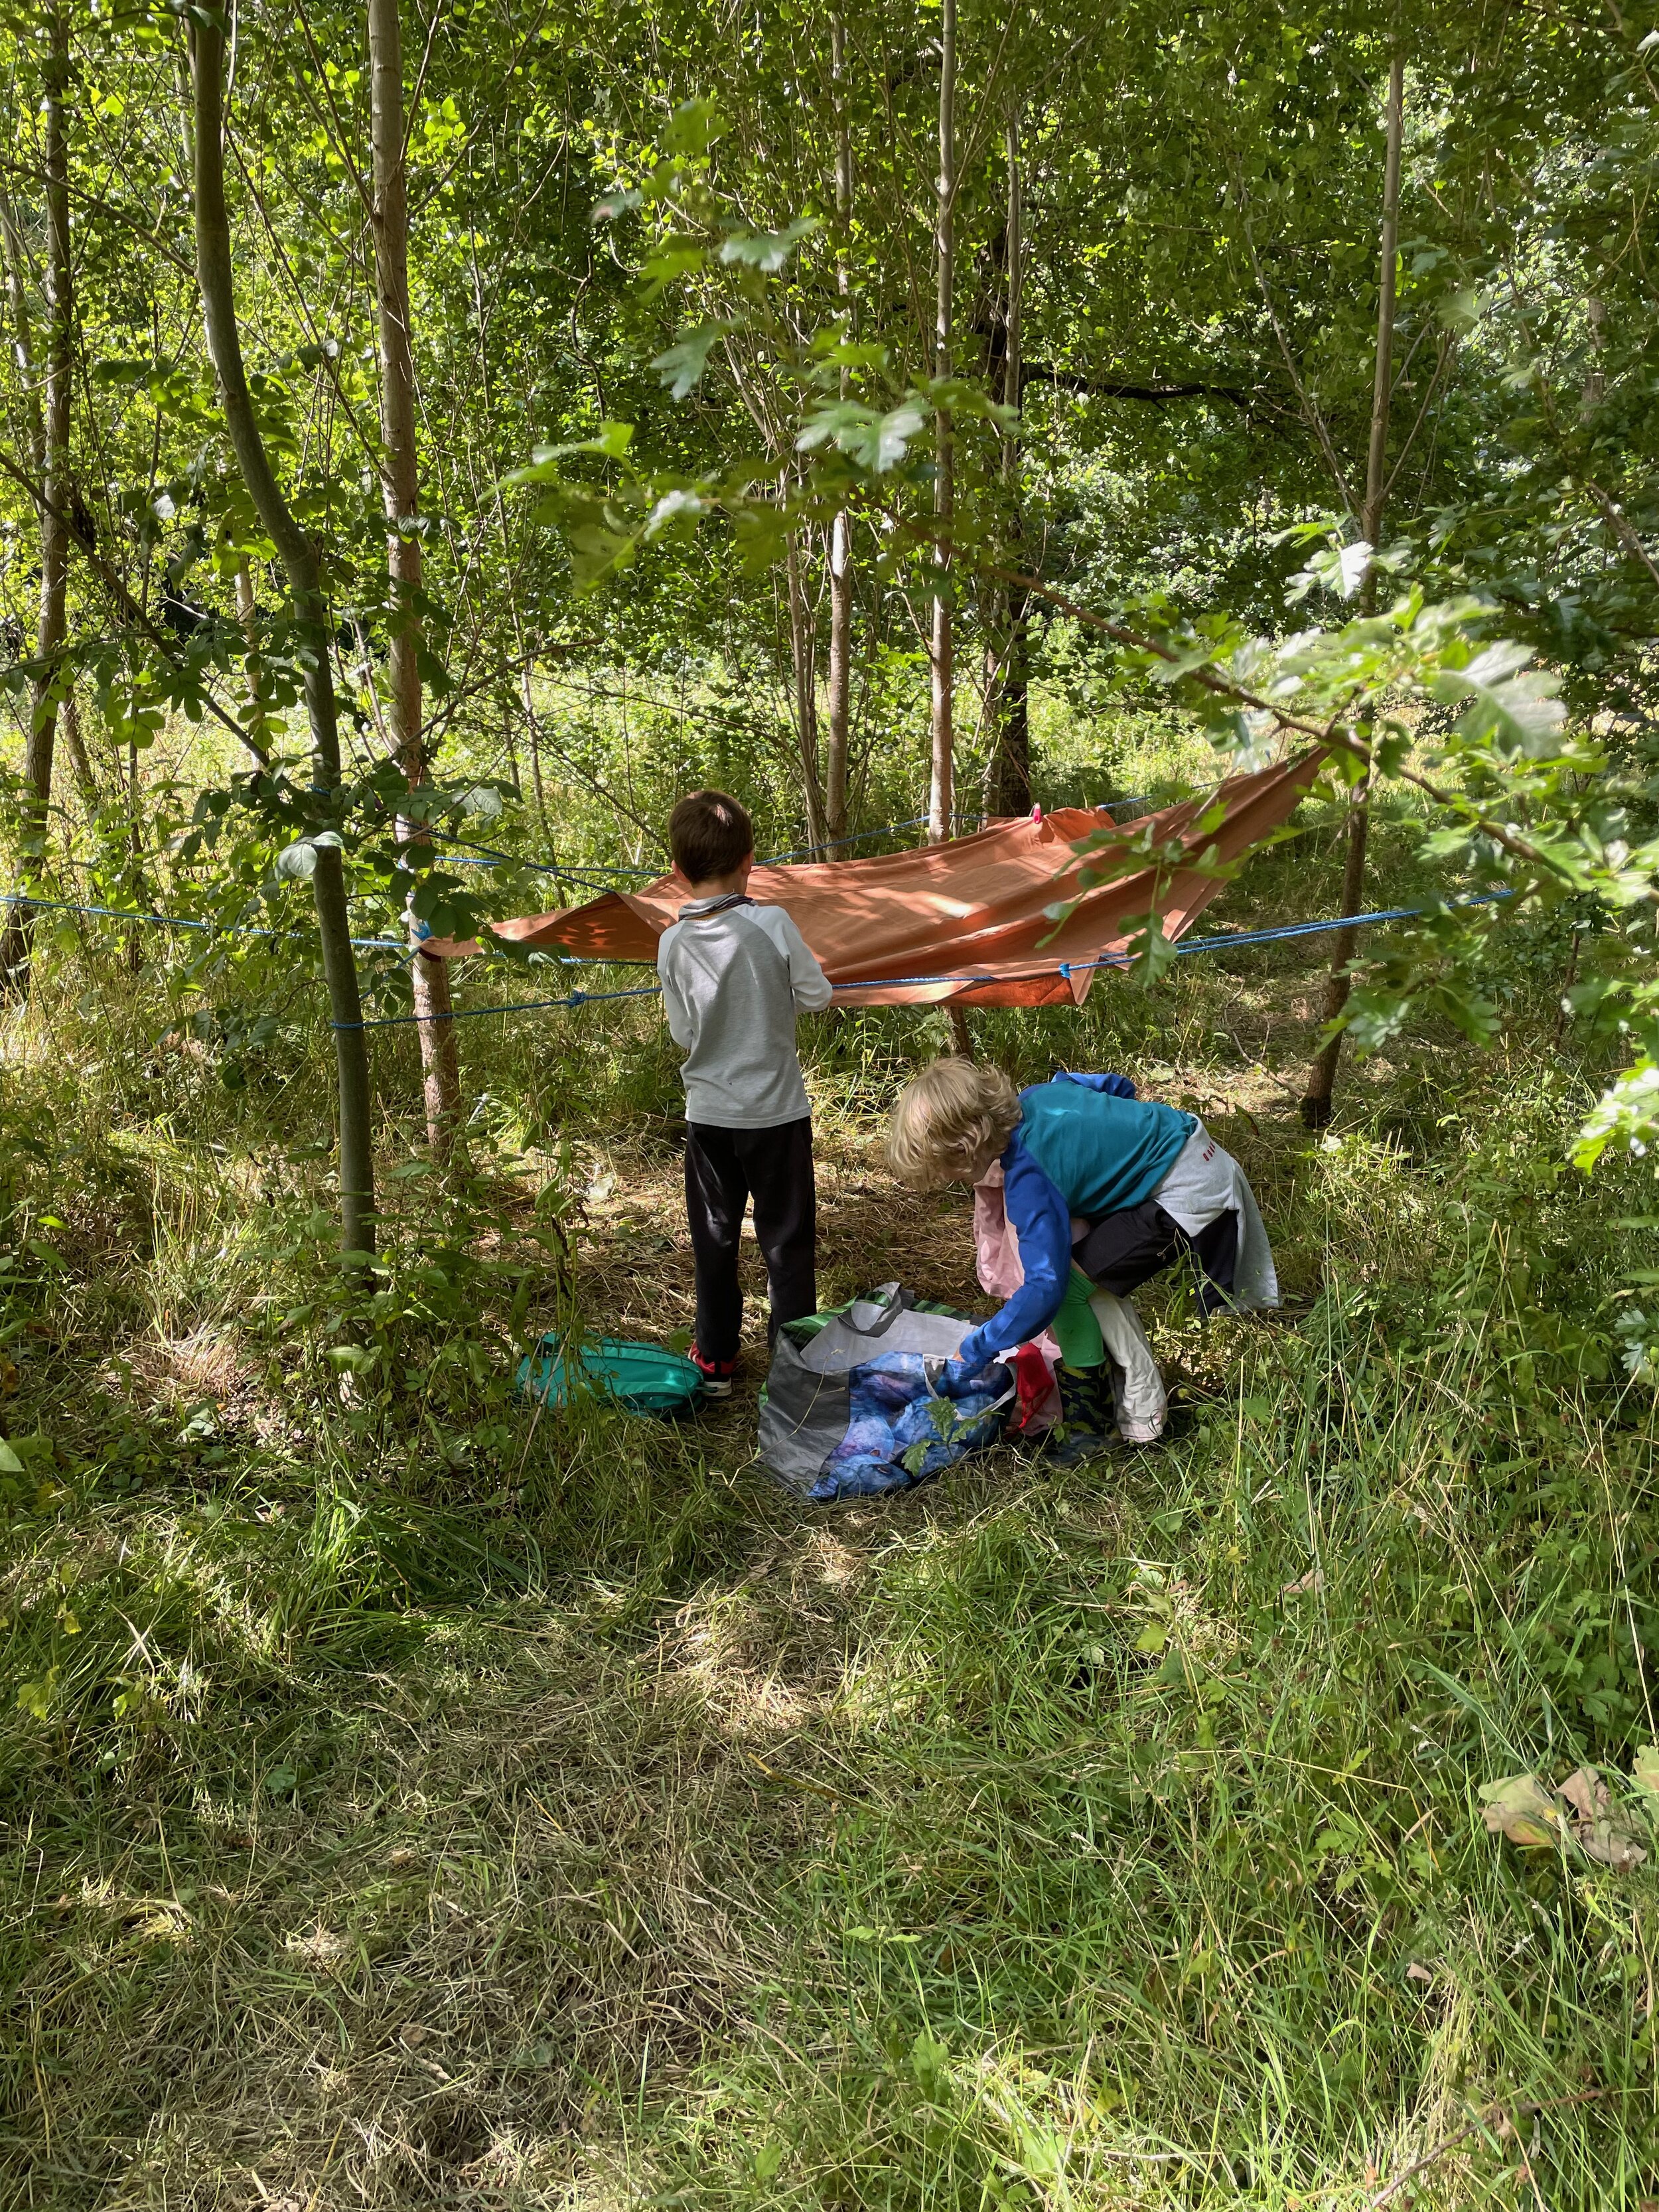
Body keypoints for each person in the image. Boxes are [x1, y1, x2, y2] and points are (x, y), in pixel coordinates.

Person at [887, 1059, 1278, 1456]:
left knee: (1072, 1290)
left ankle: (1090, 1430)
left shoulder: (1030, 1180)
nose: (951, 1178)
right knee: (1084, 1267)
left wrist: (978, 1347)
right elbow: (1118, 1087)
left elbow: (1045, 1288)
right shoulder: (1045, 1094)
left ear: (966, 1146)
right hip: (1194, 1142)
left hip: (1190, 1193)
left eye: (946, 1169)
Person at [657, 788, 833, 1397]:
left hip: (710, 1116)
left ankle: (715, 1361)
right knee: (787, 1239)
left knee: (715, 1236)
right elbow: (817, 995)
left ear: (677, 873)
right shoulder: (773, 922)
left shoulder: (670, 943)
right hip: (777, 1114)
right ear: (751, 860)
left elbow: (683, 1032)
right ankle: (793, 1367)